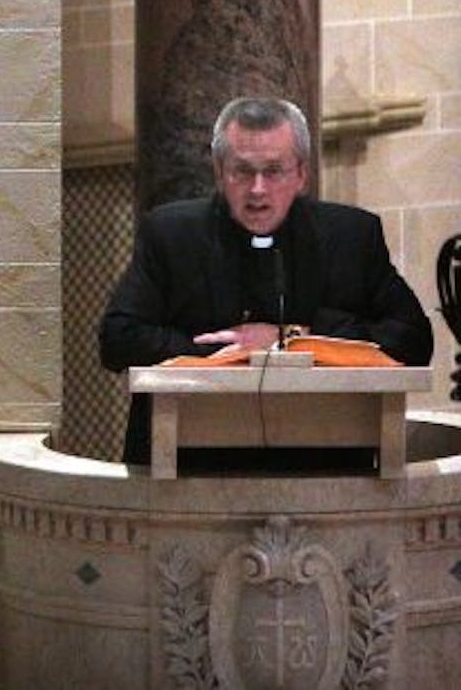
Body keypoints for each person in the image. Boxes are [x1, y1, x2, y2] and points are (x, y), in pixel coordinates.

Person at [99, 97, 433, 466]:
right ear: (218, 171)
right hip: (190, 467)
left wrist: (294, 338)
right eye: (242, 171)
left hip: (324, 468)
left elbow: (413, 341)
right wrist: (234, 356)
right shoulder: (171, 234)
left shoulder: (351, 236)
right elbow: (117, 339)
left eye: (274, 171)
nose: (257, 189)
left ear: (302, 173)